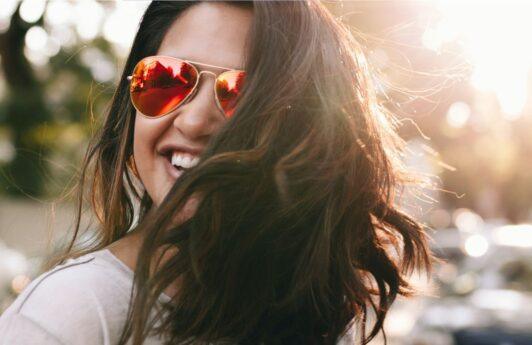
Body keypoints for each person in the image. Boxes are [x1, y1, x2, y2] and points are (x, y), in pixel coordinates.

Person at [0, 1, 434, 344]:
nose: (192, 121)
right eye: (166, 81)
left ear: (307, 134)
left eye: (243, 95)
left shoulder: (328, 314)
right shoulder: (70, 313)